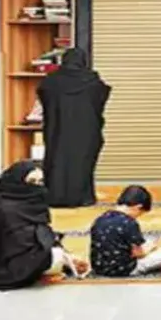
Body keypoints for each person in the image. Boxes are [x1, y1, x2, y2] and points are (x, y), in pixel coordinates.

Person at [0, 161, 86, 290]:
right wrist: (57, 256)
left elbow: (40, 231)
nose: (36, 187)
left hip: (23, 254)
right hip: (5, 265)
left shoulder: (31, 203)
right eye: (31, 182)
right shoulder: (3, 207)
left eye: (40, 182)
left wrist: (65, 256)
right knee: (51, 255)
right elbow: (17, 244)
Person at [38, 48, 112, 208]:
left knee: (56, 160)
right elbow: (103, 94)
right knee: (83, 162)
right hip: (86, 130)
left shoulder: (51, 81)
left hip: (57, 130)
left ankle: (55, 196)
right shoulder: (91, 81)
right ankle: (83, 198)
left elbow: (43, 94)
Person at [89, 185, 161, 277]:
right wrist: (150, 247)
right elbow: (139, 253)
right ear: (138, 207)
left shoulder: (100, 219)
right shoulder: (129, 222)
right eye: (140, 213)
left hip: (99, 269)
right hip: (125, 270)